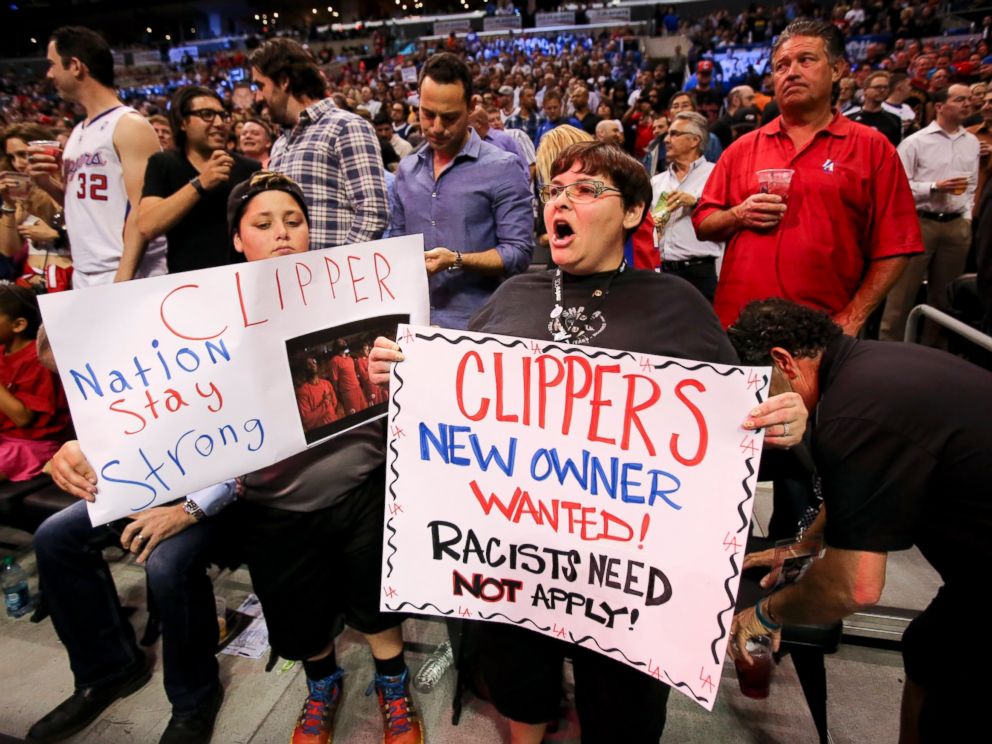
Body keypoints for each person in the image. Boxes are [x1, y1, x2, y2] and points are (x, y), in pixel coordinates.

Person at [371, 141, 807, 744]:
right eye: (554, 190)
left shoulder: (675, 304)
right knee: (521, 685)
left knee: (621, 709)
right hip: (515, 556)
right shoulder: (514, 295)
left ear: (632, 213)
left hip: (624, 576)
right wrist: (405, 374)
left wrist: (782, 423)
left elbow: (732, 429)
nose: (562, 201)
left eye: (586, 190)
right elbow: (453, 399)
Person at [47, 171, 423, 744]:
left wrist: (406, 365)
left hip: (362, 489)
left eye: (294, 222)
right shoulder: (199, 323)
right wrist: (90, 443)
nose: (283, 234)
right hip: (274, 505)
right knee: (299, 614)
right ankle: (321, 685)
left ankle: (392, 682)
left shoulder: (355, 290)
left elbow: (412, 395)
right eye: (264, 224)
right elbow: (156, 402)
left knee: (375, 605)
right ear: (238, 240)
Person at [727, 298, 992, 744]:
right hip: (975, 570)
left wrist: (765, 616)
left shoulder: (850, 413)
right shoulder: (869, 369)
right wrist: (805, 544)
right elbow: (865, 484)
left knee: (953, 707)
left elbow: (857, 586)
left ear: (783, 361)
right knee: (929, 647)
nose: (757, 407)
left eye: (758, 388)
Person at [694, 18, 923, 334]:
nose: (791, 72)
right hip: (738, 327)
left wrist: (855, 316)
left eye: (806, 60)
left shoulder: (872, 148)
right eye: (781, 66)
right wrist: (739, 214)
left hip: (820, 332)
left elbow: (897, 245)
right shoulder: (742, 149)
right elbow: (703, 223)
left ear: (837, 70)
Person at [390, 52, 533, 331]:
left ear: (471, 107)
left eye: (450, 117)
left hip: (479, 329)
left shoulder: (503, 168)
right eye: (428, 114)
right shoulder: (407, 171)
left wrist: (456, 260)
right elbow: (395, 241)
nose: (437, 127)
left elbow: (519, 253)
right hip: (415, 327)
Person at [28, 26, 166, 287]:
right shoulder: (79, 131)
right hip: (85, 271)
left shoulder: (128, 125)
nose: (49, 74)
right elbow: (83, 206)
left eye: (52, 65)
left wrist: (121, 282)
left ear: (76, 66)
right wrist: (46, 183)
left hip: (125, 272)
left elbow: (143, 210)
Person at [249, 37, 388, 249]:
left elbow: (373, 212)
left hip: (335, 278)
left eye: (260, 86)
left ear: (284, 81)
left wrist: (337, 272)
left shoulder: (346, 126)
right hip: (293, 277)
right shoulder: (279, 145)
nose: (257, 97)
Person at [879, 83, 979, 344]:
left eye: (969, 99)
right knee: (901, 296)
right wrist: (933, 187)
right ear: (939, 106)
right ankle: (890, 353)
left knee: (943, 298)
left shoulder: (972, 143)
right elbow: (896, 187)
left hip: (956, 227)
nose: (967, 104)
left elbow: (972, 186)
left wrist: (966, 218)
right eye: (959, 99)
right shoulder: (916, 142)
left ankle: (932, 350)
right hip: (920, 222)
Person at [138, 85, 260, 274]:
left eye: (222, 115)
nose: (219, 123)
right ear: (182, 122)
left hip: (242, 281)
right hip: (187, 286)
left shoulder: (250, 168)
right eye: (207, 114)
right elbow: (148, 226)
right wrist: (200, 183)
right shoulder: (162, 164)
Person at [650, 112, 722, 301]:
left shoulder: (716, 174)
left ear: (694, 140)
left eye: (674, 134)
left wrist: (696, 202)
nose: (666, 139)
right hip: (663, 272)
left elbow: (729, 214)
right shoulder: (656, 182)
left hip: (700, 273)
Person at [0, 285, 70, 482]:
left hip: (33, 444)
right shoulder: (2, 352)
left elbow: (23, 418)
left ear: (18, 325)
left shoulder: (38, 359)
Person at [0, 123, 72, 291]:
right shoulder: (21, 195)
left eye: (23, 155)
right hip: (32, 280)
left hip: (71, 277)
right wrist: (8, 204)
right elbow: (8, 250)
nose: (18, 163)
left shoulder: (67, 184)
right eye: (12, 157)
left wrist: (55, 236)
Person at [848, 71, 902, 147]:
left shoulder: (894, 120)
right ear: (865, 90)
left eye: (885, 87)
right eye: (877, 87)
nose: (882, 90)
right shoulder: (849, 118)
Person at [668, 91, 723, 163]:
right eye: (675, 106)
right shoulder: (662, 140)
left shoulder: (711, 140)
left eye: (685, 105)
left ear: (695, 111)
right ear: (669, 114)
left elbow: (718, 169)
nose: (680, 110)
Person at [296, 356, 342, 428]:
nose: (313, 364)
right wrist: (325, 404)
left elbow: (334, 405)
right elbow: (306, 419)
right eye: (309, 364)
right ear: (305, 370)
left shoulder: (327, 383)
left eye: (314, 362)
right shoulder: (303, 391)